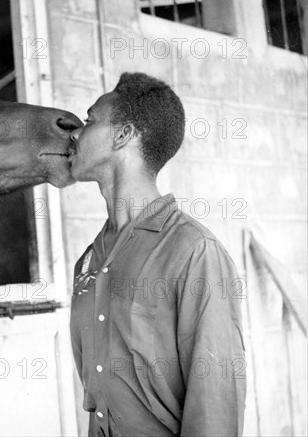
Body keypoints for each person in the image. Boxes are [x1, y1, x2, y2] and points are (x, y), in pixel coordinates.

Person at [68, 73, 246, 436]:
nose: (74, 133)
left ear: (123, 135)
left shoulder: (194, 252)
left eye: (89, 121)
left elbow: (215, 403)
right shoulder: (89, 260)